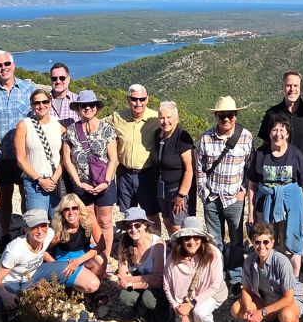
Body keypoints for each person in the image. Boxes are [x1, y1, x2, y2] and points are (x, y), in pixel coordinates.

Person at [196, 96, 255, 291]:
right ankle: (218, 275)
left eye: (230, 115)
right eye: (222, 116)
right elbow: (199, 168)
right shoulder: (205, 138)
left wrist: (244, 190)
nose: (226, 119)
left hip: (233, 198)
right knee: (215, 241)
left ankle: (236, 276)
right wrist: (204, 193)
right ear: (216, 117)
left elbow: (250, 167)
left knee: (237, 240)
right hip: (212, 198)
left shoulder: (246, 137)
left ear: (236, 116)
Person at [0, 209, 100, 314]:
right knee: (12, 303)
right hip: (13, 281)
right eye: (34, 227)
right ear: (26, 229)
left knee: (86, 280)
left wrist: (56, 264)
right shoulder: (15, 250)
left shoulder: (49, 234)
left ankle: (69, 293)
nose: (40, 231)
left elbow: (46, 249)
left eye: (43, 226)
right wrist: (6, 296)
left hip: (36, 272)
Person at [247, 113, 303, 277]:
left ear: (288, 133)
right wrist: (250, 213)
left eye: (282, 129)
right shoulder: (261, 153)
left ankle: (293, 283)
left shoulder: (295, 154)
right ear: (269, 132)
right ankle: (270, 279)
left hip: (292, 207)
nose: (278, 133)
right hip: (266, 206)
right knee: (267, 243)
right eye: (274, 129)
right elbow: (252, 185)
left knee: (292, 245)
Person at [0, 49, 35, 243]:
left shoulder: (28, 90)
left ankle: (30, 233)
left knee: (27, 195)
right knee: (3, 197)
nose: (4, 68)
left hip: (24, 155)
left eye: (6, 64)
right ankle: (4, 234)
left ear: (14, 65)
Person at [61, 90, 118, 267]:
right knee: (89, 219)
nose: (87, 108)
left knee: (106, 221)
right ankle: (96, 254)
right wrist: (78, 182)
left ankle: (106, 259)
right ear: (78, 108)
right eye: (83, 105)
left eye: (91, 105)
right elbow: (66, 159)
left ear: (96, 108)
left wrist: (106, 182)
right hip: (81, 184)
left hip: (104, 182)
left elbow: (113, 158)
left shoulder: (107, 128)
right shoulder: (71, 131)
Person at [232, 223, 303, 322]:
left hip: (290, 298)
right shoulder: (250, 260)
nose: (262, 246)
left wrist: (261, 312)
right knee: (237, 309)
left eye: (266, 242)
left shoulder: (281, 262)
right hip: (266, 296)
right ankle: (272, 316)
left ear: (272, 242)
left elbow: (288, 298)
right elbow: (246, 288)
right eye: (257, 242)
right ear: (253, 243)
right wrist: (250, 310)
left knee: (287, 317)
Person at [163, 217, 228, 322]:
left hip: (209, 294)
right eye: (187, 238)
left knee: (200, 312)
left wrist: (191, 304)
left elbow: (214, 285)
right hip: (183, 301)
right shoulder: (173, 258)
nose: (192, 242)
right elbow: (167, 287)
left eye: (196, 237)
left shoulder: (213, 254)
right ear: (182, 239)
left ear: (202, 239)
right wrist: (180, 312)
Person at [103, 83, 161, 231]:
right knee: (128, 214)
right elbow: (98, 125)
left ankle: (156, 247)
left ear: (147, 99)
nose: (138, 103)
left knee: (152, 215)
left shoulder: (156, 118)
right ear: (128, 100)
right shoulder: (118, 118)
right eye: (134, 99)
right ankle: (130, 248)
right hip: (125, 174)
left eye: (142, 99)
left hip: (147, 174)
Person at [14, 89, 66, 216]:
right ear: (32, 105)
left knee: (57, 224)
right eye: (37, 103)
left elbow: (65, 157)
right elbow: (20, 159)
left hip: (56, 183)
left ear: (50, 103)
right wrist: (39, 180)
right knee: (37, 224)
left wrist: (53, 179)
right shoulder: (24, 125)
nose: (41, 106)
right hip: (34, 184)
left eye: (44, 102)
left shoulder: (59, 126)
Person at [116, 207, 168, 322]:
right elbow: (121, 277)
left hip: (157, 288)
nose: (133, 229)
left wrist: (130, 284)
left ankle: (162, 309)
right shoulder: (124, 243)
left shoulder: (157, 244)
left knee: (149, 299)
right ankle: (139, 308)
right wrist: (147, 278)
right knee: (125, 297)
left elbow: (158, 280)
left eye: (137, 225)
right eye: (129, 226)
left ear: (145, 225)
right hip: (144, 284)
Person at [257, 70, 303, 168]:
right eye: (288, 85)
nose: (292, 89)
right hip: (278, 173)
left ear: (301, 88)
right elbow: (265, 144)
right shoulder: (272, 114)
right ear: (282, 88)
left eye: (295, 85)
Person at [152, 101, 196, 235]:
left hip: (177, 189)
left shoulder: (182, 137)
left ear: (176, 118)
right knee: (167, 222)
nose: (165, 121)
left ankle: (185, 253)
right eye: (162, 117)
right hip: (162, 188)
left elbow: (190, 169)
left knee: (180, 227)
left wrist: (181, 195)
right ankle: (174, 251)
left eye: (169, 117)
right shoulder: (158, 135)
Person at [46, 194, 105, 290]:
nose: (71, 212)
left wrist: (78, 261)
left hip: (82, 255)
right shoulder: (60, 230)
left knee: (100, 259)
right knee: (93, 284)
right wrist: (55, 265)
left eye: (74, 208)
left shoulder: (88, 222)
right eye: (66, 209)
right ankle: (74, 288)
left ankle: (85, 289)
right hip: (66, 259)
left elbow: (101, 245)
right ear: (62, 212)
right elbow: (42, 250)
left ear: (80, 209)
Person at [48, 62, 80, 127]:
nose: (58, 81)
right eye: (54, 78)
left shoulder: (78, 101)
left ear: (68, 79)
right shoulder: (42, 102)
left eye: (62, 78)